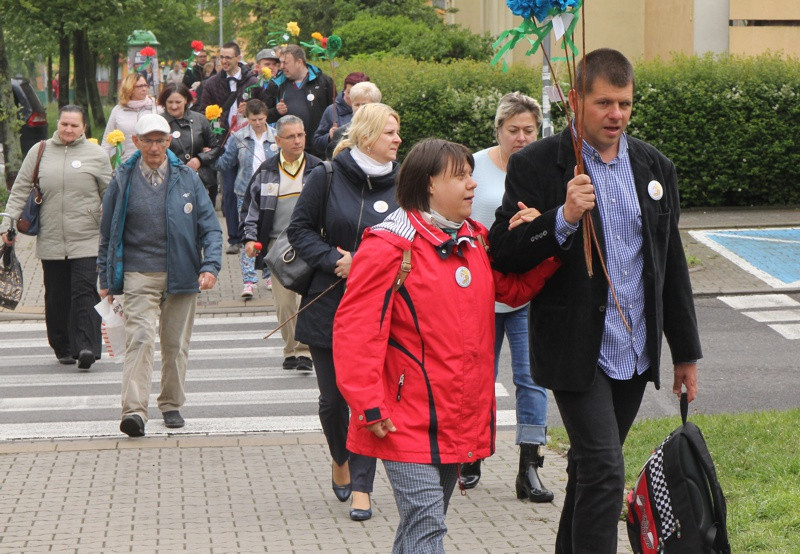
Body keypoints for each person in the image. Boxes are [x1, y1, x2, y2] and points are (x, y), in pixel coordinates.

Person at [488, 48, 702, 553]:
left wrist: (686, 353)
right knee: (607, 468)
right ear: (576, 102)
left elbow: (670, 264)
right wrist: (560, 217)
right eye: (604, 102)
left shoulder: (655, 168)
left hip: (633, 349)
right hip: (575, 346)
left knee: (589, 468)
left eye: (625, 104)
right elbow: (504, 252)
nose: (616, 115)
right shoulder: (537, 164)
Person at [332, 138, 559, 553]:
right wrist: (368, 404)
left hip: (455, 418)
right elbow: (355, 331)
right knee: (428, 523)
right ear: (429, 185)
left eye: (471, 174)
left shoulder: (475, 238)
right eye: (460, 176)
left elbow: (511, 289)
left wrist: (548, 242)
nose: (472, 185)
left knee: (421, 526)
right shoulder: (388, 246)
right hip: (401, 419)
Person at [286, 103, 401, 522]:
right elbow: (298, 230)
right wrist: (336, 258)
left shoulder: (404, 180)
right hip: (329, 301)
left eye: (398, 132)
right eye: (390, 132)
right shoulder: (327, 175)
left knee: (366, 398)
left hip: (380, 305)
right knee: (333, 400)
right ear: (367, 135)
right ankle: (340, 457)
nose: (397, 139)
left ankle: (361, 485)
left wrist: (372, 266)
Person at [97, 114, 222, 437]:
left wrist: (210, 267)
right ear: (136, 142)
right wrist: (105, 278)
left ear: (169, 142)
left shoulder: (186, 178)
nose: (154, 147)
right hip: (139, 270)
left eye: (160, 140)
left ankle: (171, 403)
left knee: (175, 343)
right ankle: (134, 411)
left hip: (182, 272)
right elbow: (108, 233)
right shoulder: (123, 177)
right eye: (148, 140)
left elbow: (210, 227)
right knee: (139, 338)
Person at [463, 91, 553, 502]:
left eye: (528, 130)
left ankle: (530, 465)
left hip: (526, 291)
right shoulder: (475, 166)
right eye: (513, 130)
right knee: (475, 375)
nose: (521, 138)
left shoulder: (543, 170)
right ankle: (472, 450)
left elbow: (558, 226)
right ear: (498, 130)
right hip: (478, 291)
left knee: (531, 377)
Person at [1, 105, 111, 369]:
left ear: (84, 127)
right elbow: (19, 190)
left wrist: (111, 224)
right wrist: (8, 224)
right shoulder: (40, 151)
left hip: (86, 236)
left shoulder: (96, 155)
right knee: (57, 295)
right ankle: (62, 345)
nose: (68, 130)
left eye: (74, 125)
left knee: (84, 290)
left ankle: (86, 347)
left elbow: (110, 192)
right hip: (50, 237)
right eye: (64, 124)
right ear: (57, 124)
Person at [241, 115, 321, 370]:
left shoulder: (319, 169)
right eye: (291, 136)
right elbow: (251, 209)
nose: (297, 141)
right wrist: (250, 239)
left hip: (312, 241)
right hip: (277, 245)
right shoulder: (265, 171)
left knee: (306, 299)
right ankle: (290, 350)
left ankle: (304, 352)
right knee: (284, 302)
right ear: (278, 140)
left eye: (301, 135)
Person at [199, 41, 265, 255]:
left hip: (250, 141)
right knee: (228, 191)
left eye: (228, 57)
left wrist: (250, 109)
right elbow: (203, 113)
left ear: (238, 57)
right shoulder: (211, 84)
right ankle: (234, 238)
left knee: (251, 189)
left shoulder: (253, 82)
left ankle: (253, 234)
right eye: (221, 57)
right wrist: (212, 134)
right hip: (226, 143)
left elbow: (265, 110)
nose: (224, 61)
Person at [215, 99, 276, 298]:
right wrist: (213, 153)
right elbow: (225, 163)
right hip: (245, 192)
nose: (257, 123)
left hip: (273, 191)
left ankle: (269, 274)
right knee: (247, 237)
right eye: (253, 119)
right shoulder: (239, 137)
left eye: (260, 119)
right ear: (246, 118)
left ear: (266, 116)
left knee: (270, 235)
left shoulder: (277, 135)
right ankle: (248, 281)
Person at [158, 82, 223, 207]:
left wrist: (200, 159)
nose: (174, 106)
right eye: (170, 102)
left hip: (198, 181)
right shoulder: (159, 122)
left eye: (178, 102)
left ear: (186, 101)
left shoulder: (199, 119)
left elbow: (216, 147)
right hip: (168, 181)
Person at [264, 44, 334, 152]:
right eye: (280, 62)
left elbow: (334, 112)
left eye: (285, 62)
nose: (281, 66)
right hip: (289, 150)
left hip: (319, 149)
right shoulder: (276, 84)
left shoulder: (323, 82)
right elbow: (264, 116)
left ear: (299, 62)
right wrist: (276, 111)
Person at [102, 72, 159, 163]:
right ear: (129, 88)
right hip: (126, 162)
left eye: (145, 85)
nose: (144, 89)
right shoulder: (118, 110)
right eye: (140, 86)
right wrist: (103, 163)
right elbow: (107, 141)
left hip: (151, 161)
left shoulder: (155, 107)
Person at [311, 71, 370, 158]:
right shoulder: (332, 110)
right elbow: (316, 143)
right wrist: (329, 137)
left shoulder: (374, 111)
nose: (352, 97)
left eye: (357, 94)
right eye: (349, 92)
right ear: (344, 90)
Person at [324, 81, 382, 160]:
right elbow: (332, 162)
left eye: (364, 104)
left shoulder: (384, 130)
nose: (360, 108)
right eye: (356, 104)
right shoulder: (341, 133)